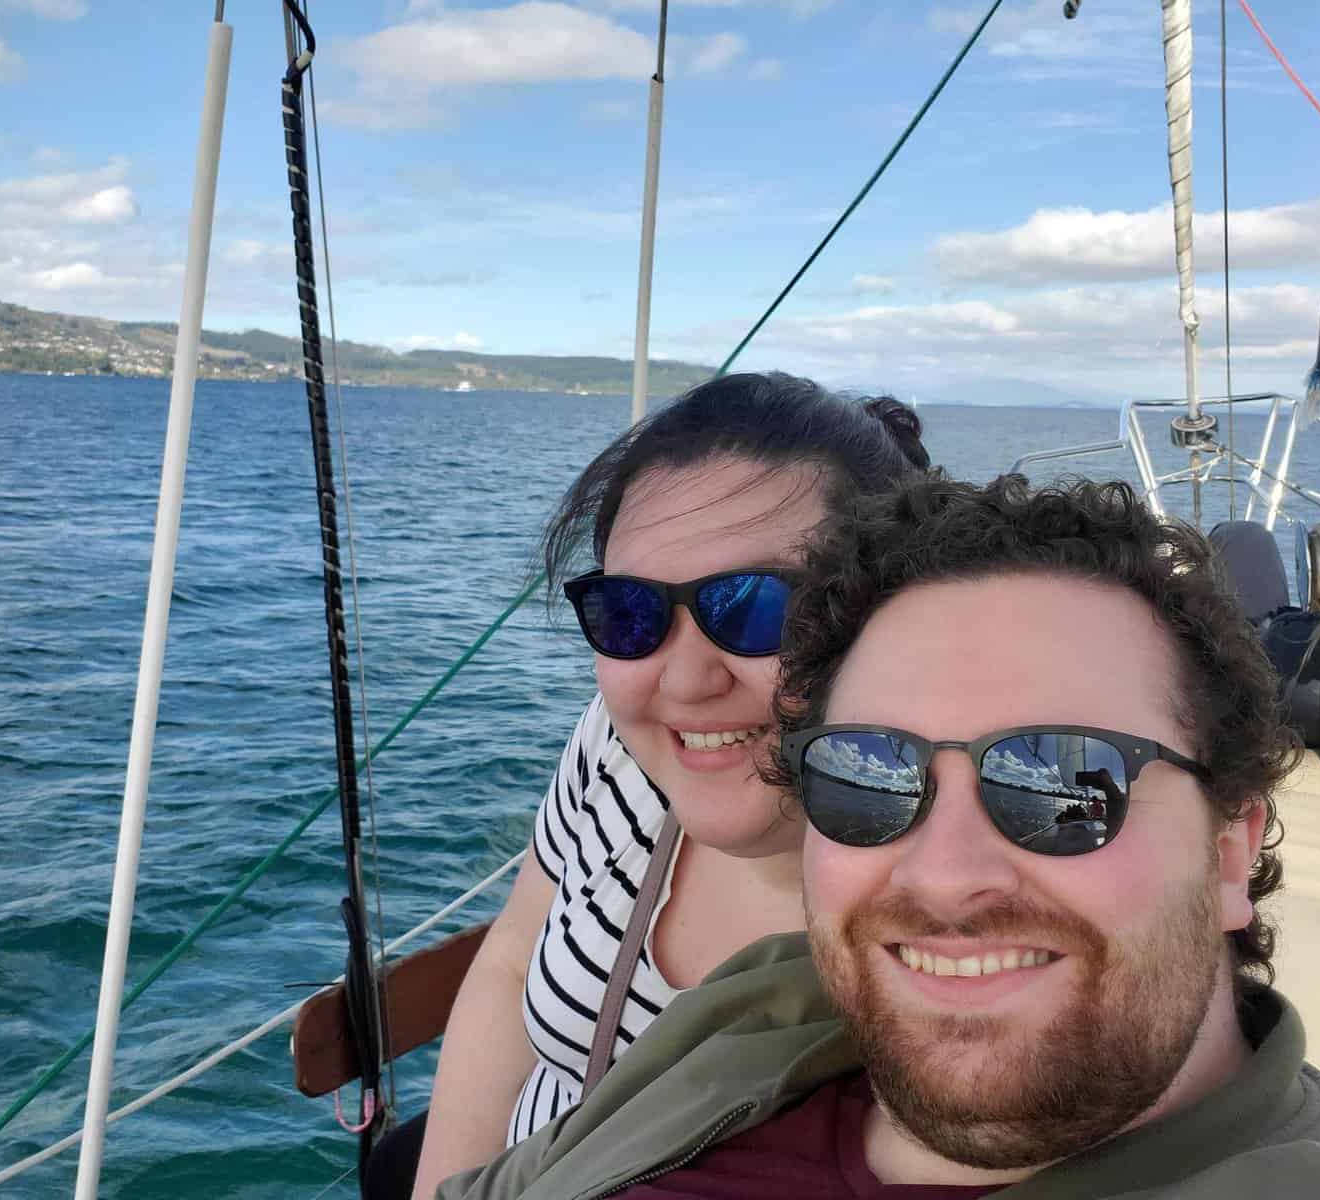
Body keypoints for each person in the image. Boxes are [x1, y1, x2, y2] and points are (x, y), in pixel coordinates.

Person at [434, 476, 1320, 1200]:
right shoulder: (758, 1010)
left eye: (1062, 777)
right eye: (867, 774)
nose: (942, 874)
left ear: (1228, 849)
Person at [388, 374, 931, 1200]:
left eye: (757, 608)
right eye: (629, 614)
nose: (681, 681)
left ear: (890, 608)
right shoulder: (618, 750)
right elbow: (507, 966)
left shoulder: (958, 897)